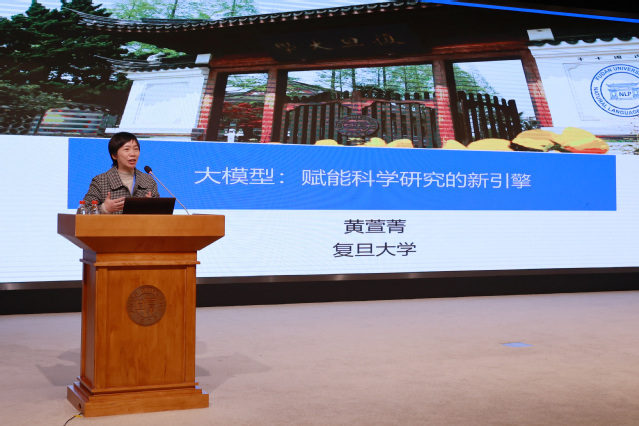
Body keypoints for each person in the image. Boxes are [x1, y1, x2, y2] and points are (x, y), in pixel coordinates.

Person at [83, 132, 159, 214]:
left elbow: (161, 214)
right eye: (126, 149)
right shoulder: (100, 181)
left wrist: (152, 208)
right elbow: (84, 211)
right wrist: (104, 209)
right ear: (114, 155)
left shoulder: (149, 181)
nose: (133, 154)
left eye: (136, 149)